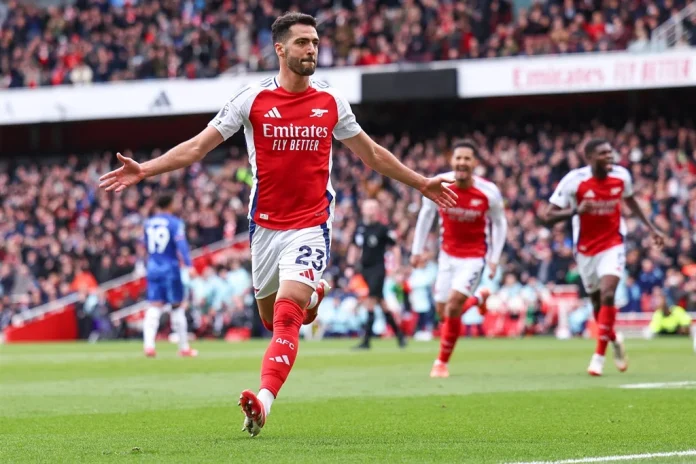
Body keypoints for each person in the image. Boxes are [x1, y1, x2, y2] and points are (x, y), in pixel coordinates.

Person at [98, 12, 456, 437]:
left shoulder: (331, 102)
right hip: (264, 228)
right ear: (280, 49)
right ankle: (315, 295)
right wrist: (146, 170)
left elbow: (372, 154)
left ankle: (263, 403)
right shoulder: (250, 100)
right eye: (303, 42)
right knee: (273, 320)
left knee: (286, 317)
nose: (312, 50)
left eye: (316, 43)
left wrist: (421, 184)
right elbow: (197, 147)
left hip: (311, 223)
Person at [542, 138, 664, 376]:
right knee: (597, 304)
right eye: (603, 154)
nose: (609, 157)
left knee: (609, 294)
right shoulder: (574, 181)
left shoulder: (621, 176)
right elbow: (547, 216)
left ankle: (598, 356)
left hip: (613, 243)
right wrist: (576, 210)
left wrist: (652, 228)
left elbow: (630, 201)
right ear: (589, 158)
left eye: (610, 153)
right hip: (586, 249)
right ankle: (614, 338)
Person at [411, 140, 507, 378]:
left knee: (453, 305)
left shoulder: (488, 191)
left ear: (475, 163)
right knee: (443, 313)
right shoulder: (440, 184)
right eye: (458, 158)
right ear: (452, 161)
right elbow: (425, 216)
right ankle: (478, 299)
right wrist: (417, 249)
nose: (462, 162)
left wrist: (494, 258)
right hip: (447, 256)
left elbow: (500, 223)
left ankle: (441, 362)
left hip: (474, 257)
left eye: (467, 158)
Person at [142, 193, 198, 358]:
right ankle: (183, 348)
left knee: (154, 306)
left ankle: (149, 346)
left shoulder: (148, 224)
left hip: (153, 267)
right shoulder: (175, 223)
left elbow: (145, 245)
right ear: (170, 204)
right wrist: (189, 265)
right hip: (170, 269)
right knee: (177, 306)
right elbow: (182, 245)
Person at [347, 199, 406, 349]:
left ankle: (366, 340)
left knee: (371, 301)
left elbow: (395, 247)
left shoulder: (382, 229)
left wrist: (397, 267)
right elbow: (354, 247)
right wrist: (350, 265)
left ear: (377, 210)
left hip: (378, 269)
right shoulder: (360, 228)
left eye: (374, 208)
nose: (371, 211)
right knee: (382, 304)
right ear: (363, 210)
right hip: (364, 269)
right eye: (369, 208)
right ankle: (400, 336)